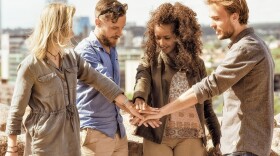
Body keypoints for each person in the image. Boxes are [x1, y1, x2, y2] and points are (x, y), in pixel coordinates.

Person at [5, 3, 144, 156]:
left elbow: (100, 81)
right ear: (56, 29)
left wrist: (129, 106)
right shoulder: (30, 66)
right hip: (44, 142)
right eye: (68, 27)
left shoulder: (71, 58)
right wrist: (11, 149)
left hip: (71, 139)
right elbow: (16, 111)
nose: (72, 33)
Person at [140, 0, 275, 156]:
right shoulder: (258, 43)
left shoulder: (247, 47)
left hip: (242, 146)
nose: (211, 24)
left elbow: (207, 87)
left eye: (216, 18)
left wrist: (161, 111)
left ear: (235, 16)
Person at [131, 3, 221, 156]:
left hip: (191, 136)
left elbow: (206, 106)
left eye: (167, 38)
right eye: (157, 37)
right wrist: (139, 97)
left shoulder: (197, 64)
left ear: (180, 36)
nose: (161, 43)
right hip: (157, 135)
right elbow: (142, 78)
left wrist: (217, 139)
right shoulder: (150, 60)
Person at [75, 0, 131, 155]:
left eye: (122, 27)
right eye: (114, 27)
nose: (119, 33)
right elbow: (106, 83)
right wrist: (134, 110)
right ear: (98, 22)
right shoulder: (85, 51)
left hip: (118, 132)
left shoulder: (112, 48)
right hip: (95, 133)